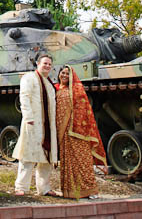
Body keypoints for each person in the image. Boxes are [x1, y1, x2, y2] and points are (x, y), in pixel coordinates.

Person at [55, 64, 108, 199]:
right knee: (67, 161)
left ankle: (90, 190)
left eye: (68, 73)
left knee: (82, 159)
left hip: (76, 131)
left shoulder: (76, 89)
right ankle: (70, 191)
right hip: (62, 133)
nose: (65, 75)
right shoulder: (55, 89)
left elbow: (83, 110)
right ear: (59, 73)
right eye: (63, 73)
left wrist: (76, 127)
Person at [13, 54, 60, 196]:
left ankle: (44, 188)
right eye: (45, 63)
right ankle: (21, 187)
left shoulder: (49, 83)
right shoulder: (29, 78)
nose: (47, 66)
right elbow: (24, 97)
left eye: (49, 64)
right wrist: (28, 117)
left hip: (47, 125)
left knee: (46, 158)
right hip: (33, 122)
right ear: (38, 64)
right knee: (28, 155)